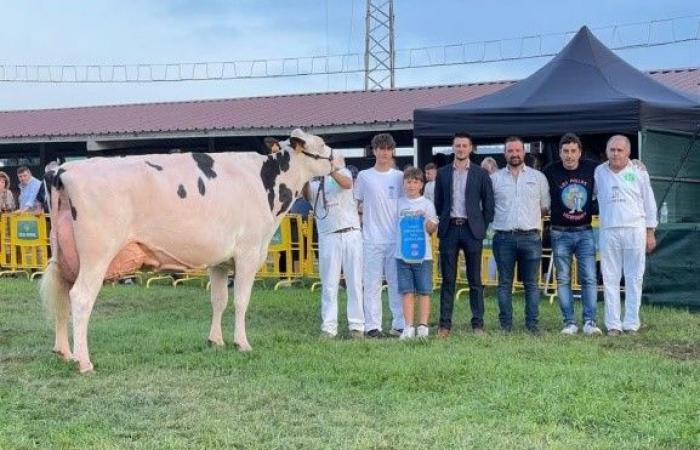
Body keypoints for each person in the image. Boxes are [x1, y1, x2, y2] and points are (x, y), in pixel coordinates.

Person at [594, 135, 657, 336]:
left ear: (628, 152)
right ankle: (613, 324)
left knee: (634, 278)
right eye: (612, 150)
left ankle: (631, 323)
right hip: (609, 230)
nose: (616, 153)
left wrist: (650, 232)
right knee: (610, 278)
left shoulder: (638, 171)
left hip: (634, 230)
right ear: (607, 151)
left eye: (620, 150)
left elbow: (649, 203)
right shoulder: (599, 172)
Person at [434, 133, 494, 337]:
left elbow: (489, 205)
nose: (460, 149)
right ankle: (444, 326)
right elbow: (438, 203)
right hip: (449, 228)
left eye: (464, 145)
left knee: (475, 280)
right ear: (453, 148)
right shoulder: (442, 173)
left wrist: (481, 226)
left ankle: (478, 325)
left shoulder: (481, 174)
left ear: (471, 148)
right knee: (448, 280)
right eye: (457, 145)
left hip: (472, 230)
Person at [543, 133, 602, 336]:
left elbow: (614, 169)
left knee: (589, 278)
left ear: (580, 152)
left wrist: (636, 164)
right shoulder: (550, 171)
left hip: (585, 231)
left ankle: (590, 322)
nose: (569, 155)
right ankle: (569, 322)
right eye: (565, 151)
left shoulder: (593, 168)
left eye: (573, 151)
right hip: (559, 232)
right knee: (563, 279)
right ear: (559, 152)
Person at [491, 137, 550, 333]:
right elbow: (489, 207)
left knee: (531, 284)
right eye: (510, 151)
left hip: (531, 237)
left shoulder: (538, 178)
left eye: (518, 150)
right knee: (504, 284)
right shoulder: (495, 179)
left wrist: (528, 220)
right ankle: (505, 325)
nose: (514, 154)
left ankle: (532, 325)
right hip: (503, 238)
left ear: (524, 153)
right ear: (504, 154)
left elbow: (544, 207)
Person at [306, 155, 364, 339]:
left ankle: (357, 326)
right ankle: (329, 327)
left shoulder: (342, 172)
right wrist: (305, 175)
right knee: (329, 284)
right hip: (328, 235)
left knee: (354, 281)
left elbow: (347, 184)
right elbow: (306, 195)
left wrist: (330, 169)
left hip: (351, 232)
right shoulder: (314, 182)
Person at [354, 133, 404, 337]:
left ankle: (399, 323)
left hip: (395, 238)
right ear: (374, 151)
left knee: (396, 283)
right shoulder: (365, 177)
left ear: (392, 151)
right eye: (380, 148)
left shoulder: (399, 177)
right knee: (372, 283)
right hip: (371, 239)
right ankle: (372, 325)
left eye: (388, 149)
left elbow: (406, 205)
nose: (384, 152)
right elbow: (355, 204)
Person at [395, 167, 438, 340]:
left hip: (423, 256)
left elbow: (432, 228)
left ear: (421, 184)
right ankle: (408, 326)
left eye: (415, 182)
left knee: (424, 291)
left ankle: (423, 326)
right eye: (408, 182)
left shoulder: (427, 204)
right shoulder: (399, 203)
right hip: (402, 254)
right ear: (404, 183)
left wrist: (429, 222)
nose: (411, 185)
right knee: (406, 291)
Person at [480, 157, 499, 284]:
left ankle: (492, 278)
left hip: (497, 222)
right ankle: (485, 278)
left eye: (491, 170)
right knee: (484, 250)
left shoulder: (498, 182)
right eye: (486, 170)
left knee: (495, 251)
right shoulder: (479, 181)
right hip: (483, 221)